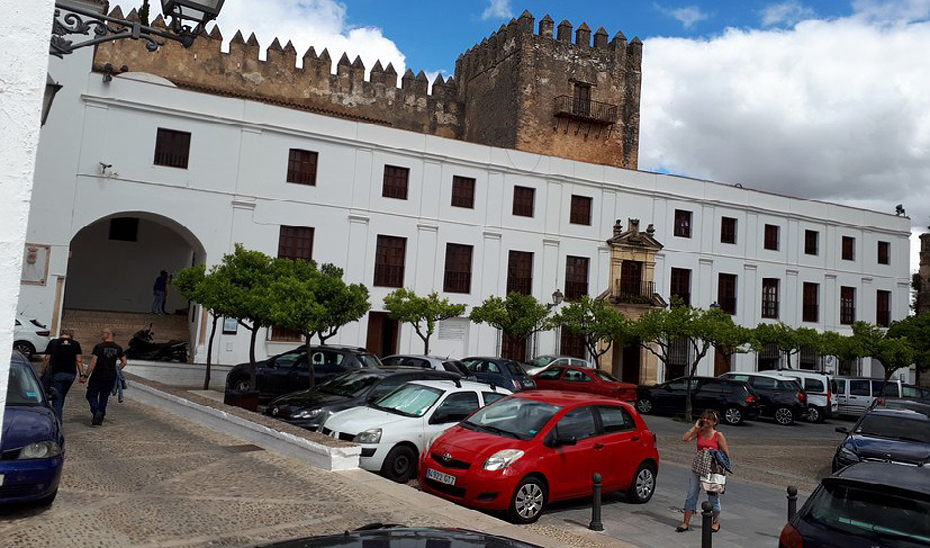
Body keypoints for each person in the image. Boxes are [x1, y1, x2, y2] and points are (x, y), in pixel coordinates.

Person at [677, 409, 730, 533]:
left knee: (713, 497)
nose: (705, 420)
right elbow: (685, 439)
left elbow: (726, 454)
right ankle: (686, 522)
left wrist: (714, 454)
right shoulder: (700, 432)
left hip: (711, 470)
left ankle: (716, 522)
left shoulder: (718, 435)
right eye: (704, 418)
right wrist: (695, 427)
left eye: (709, 419)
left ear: (715, 422)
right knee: (691, 494)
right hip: (698, 467)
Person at [80, 328, 126, 426]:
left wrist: (86, 375)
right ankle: (100, 417)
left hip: (98, 375)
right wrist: (117, 369)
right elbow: (124, 361)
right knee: (104, 396)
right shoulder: (118, 347)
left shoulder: (99, 347)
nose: (101, 335)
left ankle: (96, 411)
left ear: (108, 334)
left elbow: (93, 362)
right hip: (110, 376)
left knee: (91, 395)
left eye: (102, 333)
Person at [42, 328, 83, 422]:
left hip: (57, 373)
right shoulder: (76, 344)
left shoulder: (53, 342)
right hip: (71, 374)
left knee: (57, 398)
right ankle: (58, 413)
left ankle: (57, 422)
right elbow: (79, 360)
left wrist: (43, 370)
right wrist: (82, 374)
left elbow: (47, 358)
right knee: (61, 396)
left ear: (61, 333)